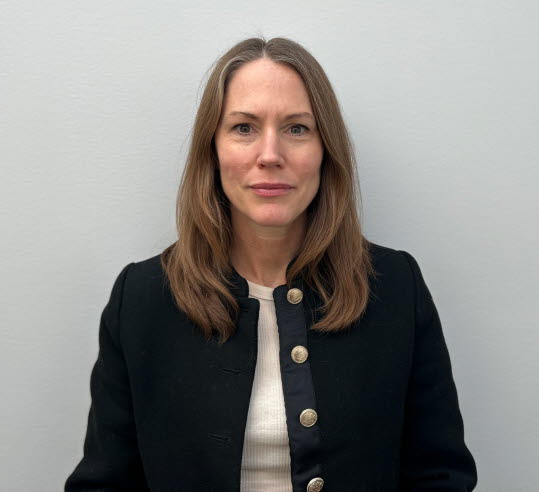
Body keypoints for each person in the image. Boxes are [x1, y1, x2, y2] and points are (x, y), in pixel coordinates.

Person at [65, 36, 477, 492]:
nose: (270, 155)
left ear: (326, 150)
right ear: (212, 149)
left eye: (297, 128)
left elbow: (441, 477)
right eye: (243, 127)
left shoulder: (396, 287)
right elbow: (103, 483)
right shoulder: (141, 298)